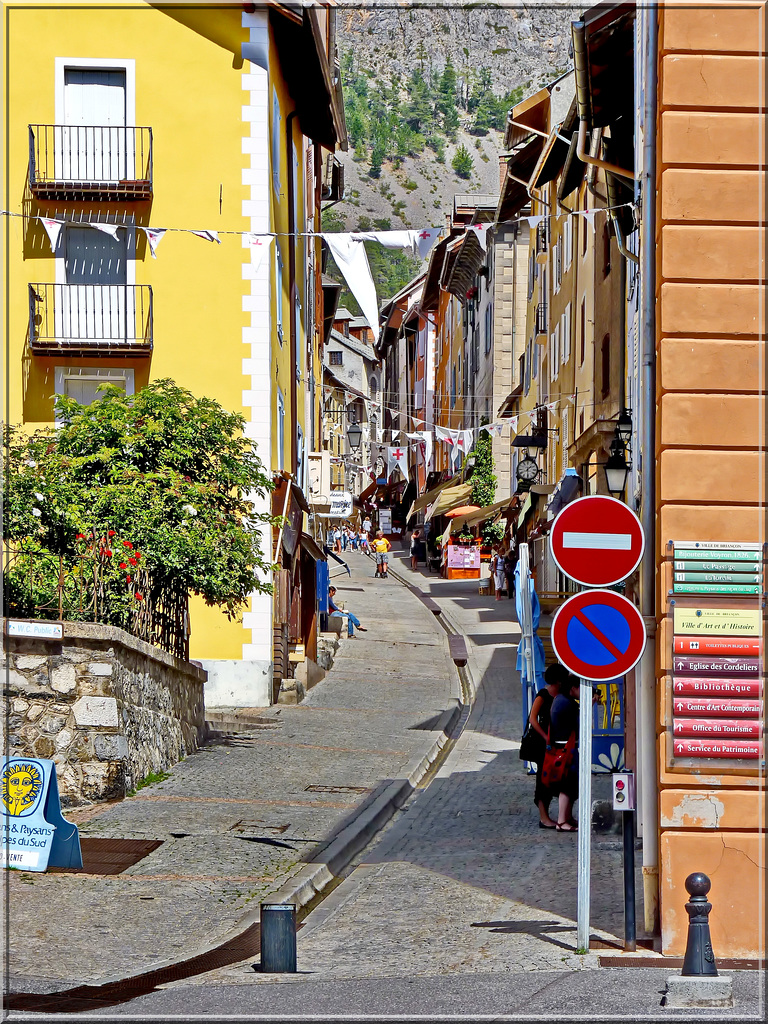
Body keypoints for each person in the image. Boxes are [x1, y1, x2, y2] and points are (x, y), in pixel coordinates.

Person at [528, 664, 568, 829]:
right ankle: (544, 818)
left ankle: (559, 815)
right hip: (541, 743)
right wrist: (545, 737)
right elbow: (532, 718)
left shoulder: (561, 695)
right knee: (542, 780)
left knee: (555, 778)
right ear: (557, 680)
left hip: (556, 742)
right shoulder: (543, 695)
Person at [549, 673, 581, 831]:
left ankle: (567, 817)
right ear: (573, 688)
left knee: (570, 786)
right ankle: (562, 821)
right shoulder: (566, 703)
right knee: (567, 786)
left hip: (563, 748)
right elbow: (577, 724)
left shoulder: (561, 700)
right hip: (566, 750)